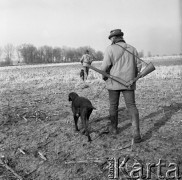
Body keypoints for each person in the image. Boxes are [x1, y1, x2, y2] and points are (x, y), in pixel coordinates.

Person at [100, 29, 142, 143]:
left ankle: (113, 129)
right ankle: (136, 133)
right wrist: (133, 77)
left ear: (113, 38)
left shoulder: (110, 49)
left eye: (111, 38)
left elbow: (104, 68)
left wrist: (104, 77)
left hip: (113, 84)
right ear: (121, 37)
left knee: (113, 106)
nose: (110, 40)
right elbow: (139, 66)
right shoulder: (132, 48)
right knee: (132, 106)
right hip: (129, 83)